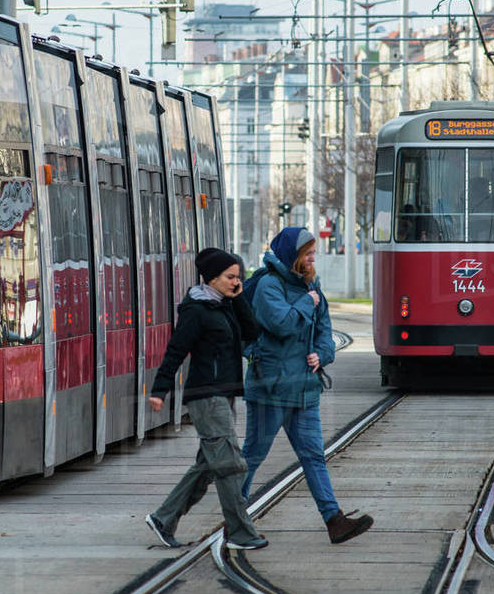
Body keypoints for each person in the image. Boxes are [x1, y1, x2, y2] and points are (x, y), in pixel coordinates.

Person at [241, 227, 374, 544]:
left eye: (314, 252)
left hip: (304, 389)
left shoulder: (311, 286)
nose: (314, 258)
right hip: (271, 389)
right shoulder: (268, 287)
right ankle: (235, 520)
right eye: (308, 253)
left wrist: (322, 355)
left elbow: (325, 331)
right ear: (293, 257)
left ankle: (334, 521)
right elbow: (283, 324)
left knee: (314, 456)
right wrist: (307, 302)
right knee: (252, 457)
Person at [144, 247, 267, 551]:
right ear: (212, 278)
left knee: (210, 465)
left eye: (238, 277)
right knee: (231, 464)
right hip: (206, 396)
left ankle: (164, 518)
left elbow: (252, 332)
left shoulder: (225, 305)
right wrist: (159, 391)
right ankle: (239, 533)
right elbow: (175, 350)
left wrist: (239, 299)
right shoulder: (196, 310)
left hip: (223, 396)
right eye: (230, 277)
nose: (236, 282)